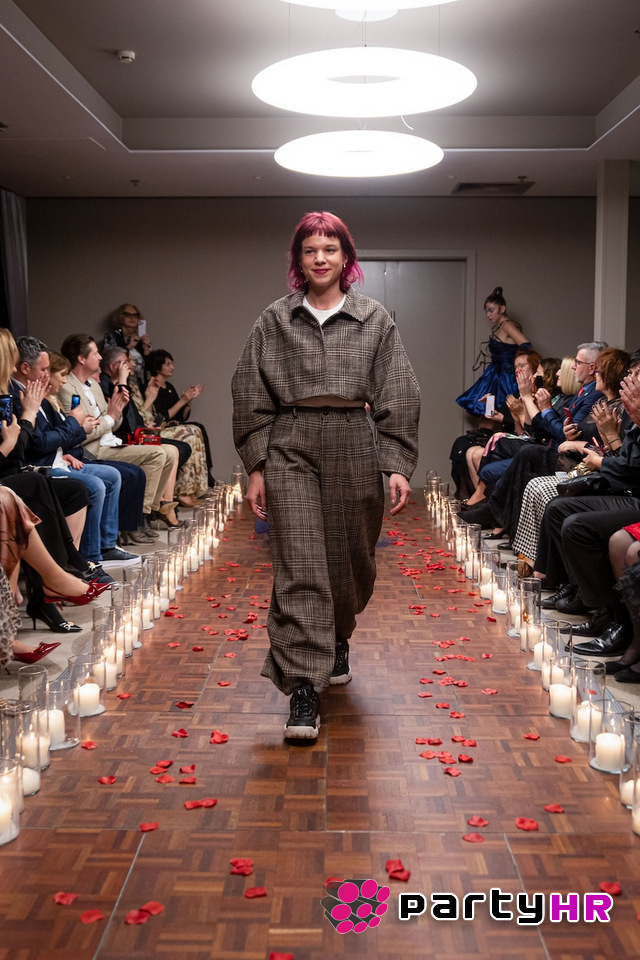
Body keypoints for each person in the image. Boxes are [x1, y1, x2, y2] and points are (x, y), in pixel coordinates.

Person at [232, 211, 420, 741]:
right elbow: (249, 390)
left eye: (330, 249)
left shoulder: (373, 318)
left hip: (355, 439)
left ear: (345, 258)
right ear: (298, 259)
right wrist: (257, 465)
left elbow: (398, 388)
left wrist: (396, 463)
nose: (320, 258)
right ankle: (302, 688)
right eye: (310, 249)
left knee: (349, 558)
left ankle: (337, 635)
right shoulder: (275, 319)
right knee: (298, 560)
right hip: (290, 440)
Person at [28, 350, 144, 572]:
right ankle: (89, 554)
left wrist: (68, 446)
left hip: (66, 457)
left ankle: (106, 545)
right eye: (60, 374)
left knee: (113, 475)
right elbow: (43, 442)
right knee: (96, 484)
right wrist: (78, 427)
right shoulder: (43, 400)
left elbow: (60, 437)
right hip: (55, 463)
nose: (64, 380)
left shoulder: (53, 400)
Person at [58, 334, 177, 538]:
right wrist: (110, 418)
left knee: (169, 452)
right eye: (96, 353)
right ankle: (138, 519)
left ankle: (146, 512)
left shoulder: (93, 385)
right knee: (157, 454)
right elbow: (80, 433)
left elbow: (111, 422)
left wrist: (116, 412)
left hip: (109, 441)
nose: (100, 357)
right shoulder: (67, 388)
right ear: (81, 359)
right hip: (91, 449)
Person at [145, 348, 216, 489]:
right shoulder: (150, 387)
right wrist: (182, 401)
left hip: (173, 425)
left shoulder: (169, 387)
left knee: (199, 426)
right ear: (157, 368)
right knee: (193, 431)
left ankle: (205, 473)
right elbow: (161, 418)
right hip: (159, 429)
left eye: (172, 363)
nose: (172, 367)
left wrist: (188, 402)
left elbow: (180, 417)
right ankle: (185, 485)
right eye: (167, 364)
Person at [456, 286, 532, 417]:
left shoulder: (507, 325)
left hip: (505, 377)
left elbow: (526, 345)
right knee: (488, 412)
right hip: (494, 375)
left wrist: (513, 365)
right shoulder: (500, 326)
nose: (488, 315)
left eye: (491, 310)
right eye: (486, 311)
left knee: (501, 411)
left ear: (502, 309)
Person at [103, 303, 151, 385]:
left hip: (139, 382)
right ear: (120, 317)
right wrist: (129, 347)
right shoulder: (112, 337)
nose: (132, 318)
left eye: (135, 315)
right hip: (119, 380)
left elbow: (151, 367)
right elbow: (109, 359)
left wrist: (146, 350)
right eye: (128, 315)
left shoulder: (141, 338)